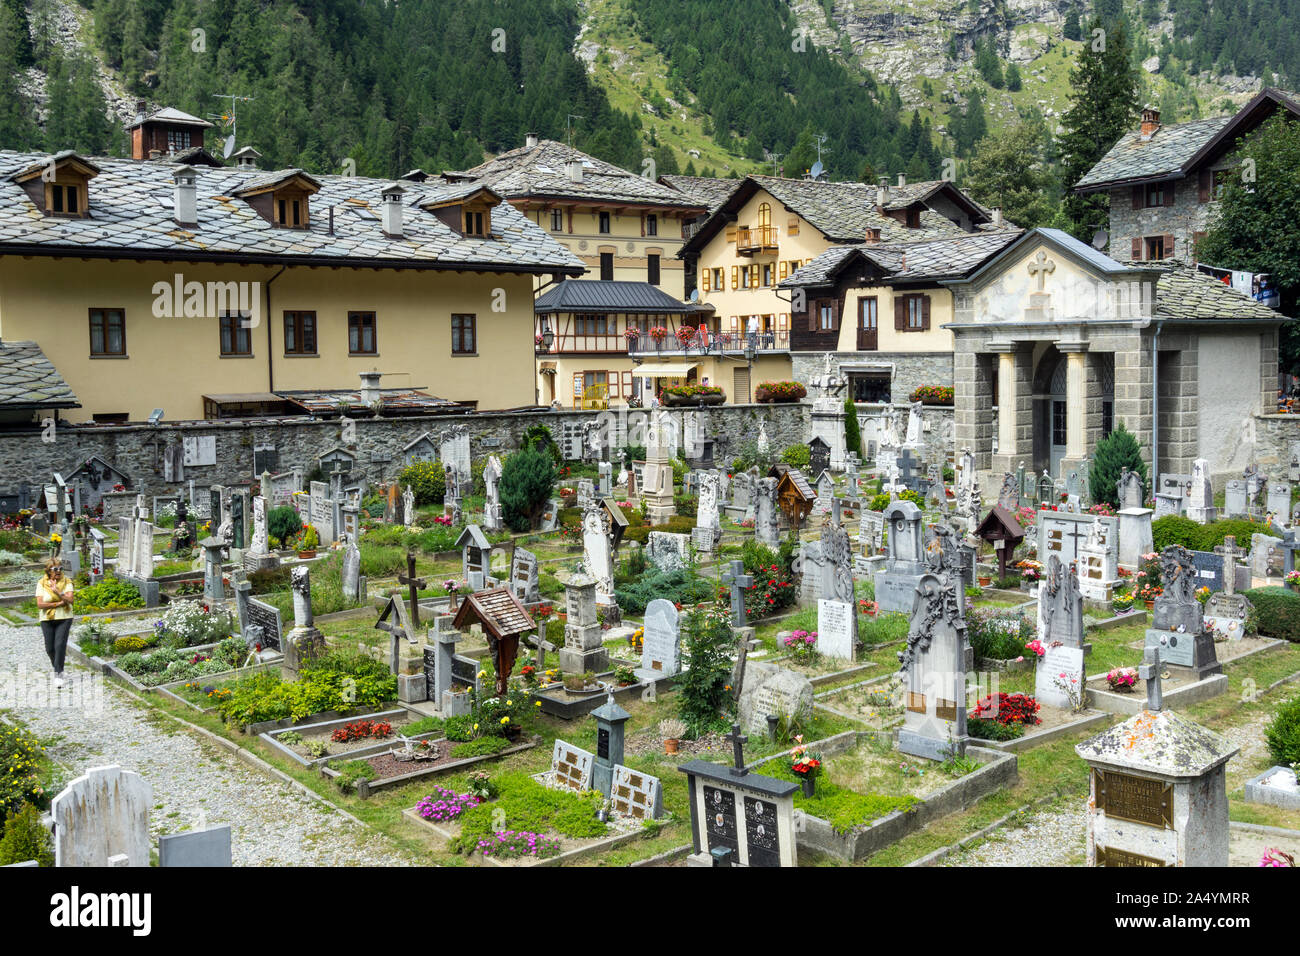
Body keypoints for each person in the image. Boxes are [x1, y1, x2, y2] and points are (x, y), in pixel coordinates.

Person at [36, 557, 74, 687]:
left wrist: (57, 591)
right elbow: (40, 604)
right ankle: (58, 668)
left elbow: (70, 600)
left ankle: (58, 673)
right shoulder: (41, 583)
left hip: (64, 617)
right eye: (55, 569)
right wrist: (58, 603)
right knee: (50, 648)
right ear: (48, 571)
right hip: (47, 619)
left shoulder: (67, 581)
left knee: (59, 645)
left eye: (60, 568)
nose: (58, 571)